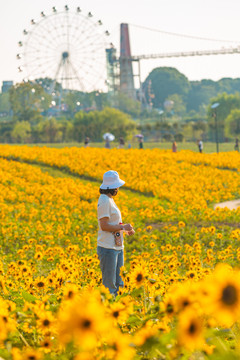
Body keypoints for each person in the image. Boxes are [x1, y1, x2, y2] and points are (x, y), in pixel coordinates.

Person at [97, 170, 135, 296]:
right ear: (112, 187)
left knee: (120, 284)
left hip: (116, 246)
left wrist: (124, 229)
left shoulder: (109, 199)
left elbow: (112, 223)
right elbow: (104, 226)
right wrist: (122, 227)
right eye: (117, 186)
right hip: (108, 248)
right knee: (110, 287)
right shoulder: (104, 201)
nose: (118, 189)